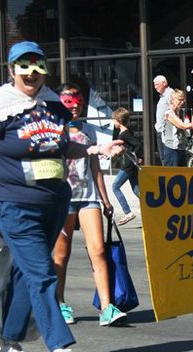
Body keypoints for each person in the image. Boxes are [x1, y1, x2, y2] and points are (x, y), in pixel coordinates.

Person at [0, 41, 124, 352]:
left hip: (54, 201)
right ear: (11, 69)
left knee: (28, 272)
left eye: (38, 65)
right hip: (12, 203)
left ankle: (9, 339)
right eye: (24, 65)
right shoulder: (0, 106)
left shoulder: (52, 104)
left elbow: (64, 145)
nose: (32, 73)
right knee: (43, 272)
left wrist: (98, 147)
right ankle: (60, 348)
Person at [53, 83, 127, 326]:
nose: (74, 107)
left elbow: (95, 167)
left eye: (78, 101)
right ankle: (60, 302)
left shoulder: (89, 132)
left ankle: (107, 307)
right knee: (61, 255)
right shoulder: (56, 132)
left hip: (88, 197)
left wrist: (106, 199)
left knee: (98, 250)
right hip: (64, 199)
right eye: (69, 102)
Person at [111, 107, 142, 225]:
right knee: (137, 190)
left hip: (128, 164)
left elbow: (138, 144)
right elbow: (131, 146)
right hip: (130, 163)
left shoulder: (124, 134)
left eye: (114, 120)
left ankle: (128, 212)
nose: (113, 122)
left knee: (115, 186)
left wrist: (138, 156)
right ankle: (150, 207)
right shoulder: (125, 132)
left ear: (118, 120)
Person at [162, 89, 192, 167]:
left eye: (183, 100)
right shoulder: (169, 113)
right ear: (172, 100)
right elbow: (182, 125)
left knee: (183, 174)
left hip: (181, 147)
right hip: (171, 148)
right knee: (172, 175)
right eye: (179, 100)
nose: (182, 102)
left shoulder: (180, 113)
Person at [154, 75, 173, 165]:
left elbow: (174, 110)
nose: (155, 86)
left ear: (164, 83)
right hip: (160, 130)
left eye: (157, 84)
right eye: (154, 84)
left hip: (166, 132)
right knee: (163, 158)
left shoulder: (170, 94)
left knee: (166, 158)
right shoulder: (162, 96)